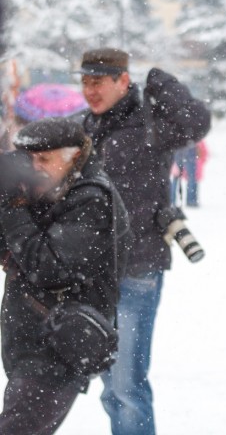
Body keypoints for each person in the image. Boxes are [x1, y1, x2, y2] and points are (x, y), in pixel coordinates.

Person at [77, 48, 211, 435]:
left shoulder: (150, 122)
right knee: (108, 386)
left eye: (98, 82)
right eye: (84, 82)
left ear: (123, 80)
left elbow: (196, 122)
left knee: (126, 385)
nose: (90, 90)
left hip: (138, 267)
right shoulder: (84, 126)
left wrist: (159, 79)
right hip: (93, 271)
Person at [0, 118, 130, 434]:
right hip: (30, 337)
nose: (35, 168)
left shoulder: (92, 199)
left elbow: (47, 267)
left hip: (58, 347)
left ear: (74, 156)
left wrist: (14, 206)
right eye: (29, 160)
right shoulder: (46, 188)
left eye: (44, 159)